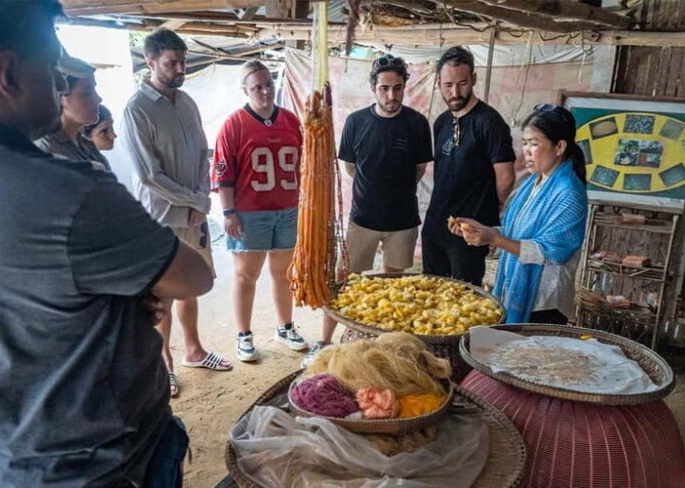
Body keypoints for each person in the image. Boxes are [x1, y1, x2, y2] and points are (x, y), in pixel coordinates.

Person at [0, 1, 214, 486]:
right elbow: (195, 276)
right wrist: (131, 296)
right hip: (98, 463)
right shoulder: (68, 191)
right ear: (8, 73)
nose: (60, 87)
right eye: (50, 70)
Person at [121, 28, 232, 394]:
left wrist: (202, 198)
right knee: (162, 295)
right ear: (150, 63)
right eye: (172, 63)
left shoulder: (186, 102)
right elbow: (150, 175)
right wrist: (194, 200)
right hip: (161, 218)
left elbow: (204, 153)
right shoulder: (136, 109)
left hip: (194, 214)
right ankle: (164, 363)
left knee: (192, 285)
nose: (180, 68)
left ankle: (195, 350)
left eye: (182, 62)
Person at [304, 54, 432, 366]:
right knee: (344, 280)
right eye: (385, 88)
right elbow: (350, 167)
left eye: (398, 88)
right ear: (373, 88)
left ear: (405, 87)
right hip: (362, 218)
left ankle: (382, 344)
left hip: (403, 220)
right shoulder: (356, 122)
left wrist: (393, 193)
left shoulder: (417, 123)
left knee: (393, 283)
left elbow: (418, 169)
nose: (392, 95)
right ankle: (323, 341)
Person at [452, 104, 588, 324]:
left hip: (545, 303)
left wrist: (495, 239)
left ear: (560, 146)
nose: (526, 151)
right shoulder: (534, 184)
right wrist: (485, 232)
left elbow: (548, 252)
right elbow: (514, 232)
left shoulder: (568, 193)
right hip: (517, 289)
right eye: (524, 143)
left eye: (534, 144)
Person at [211, 61, 308, 362]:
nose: (265, 91)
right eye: (257, 87)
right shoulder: (234, 124)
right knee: (246, 275)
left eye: (268, 84)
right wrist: (229, 212)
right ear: (245, 90)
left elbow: (304, 164)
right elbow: (223, 173)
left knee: (283, 274)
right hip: (250, 211)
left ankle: (285, 327)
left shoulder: (291, 120)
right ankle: (244, 334)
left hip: (287, 208)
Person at [421, 46, 516, 286]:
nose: (455, 92)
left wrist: (486, 214)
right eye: (448, 85)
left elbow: (505, 178)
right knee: (431, 290)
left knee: (465, 295)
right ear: (438, 83)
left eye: (462, 83)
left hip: (470, 230)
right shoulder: (441, 122)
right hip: (436, 223)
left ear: (473, 79)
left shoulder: (490, 122)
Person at [35, 51, 110, 170]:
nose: (98, 99)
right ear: (59, 96)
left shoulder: (88, 146)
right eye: (86, 93)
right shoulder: (47, 151)